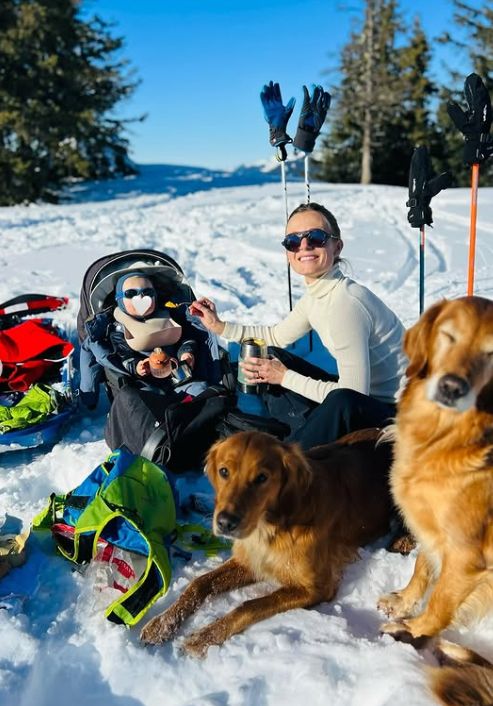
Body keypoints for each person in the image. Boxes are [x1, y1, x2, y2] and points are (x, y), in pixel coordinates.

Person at [189, 202, 407, 449]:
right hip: (367, 398)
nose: (304, 245)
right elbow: (276, 336)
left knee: (338, 399)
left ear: (337, 246)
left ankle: (287, 462)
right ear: (288, 252)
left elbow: (353, 395)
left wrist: (283, 377)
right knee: (270, 353)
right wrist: (219, 326)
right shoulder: (319, 294)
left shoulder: (345, 303)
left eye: (316, 237)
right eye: (293, 241)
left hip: (399, 414)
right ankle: (305, 434)